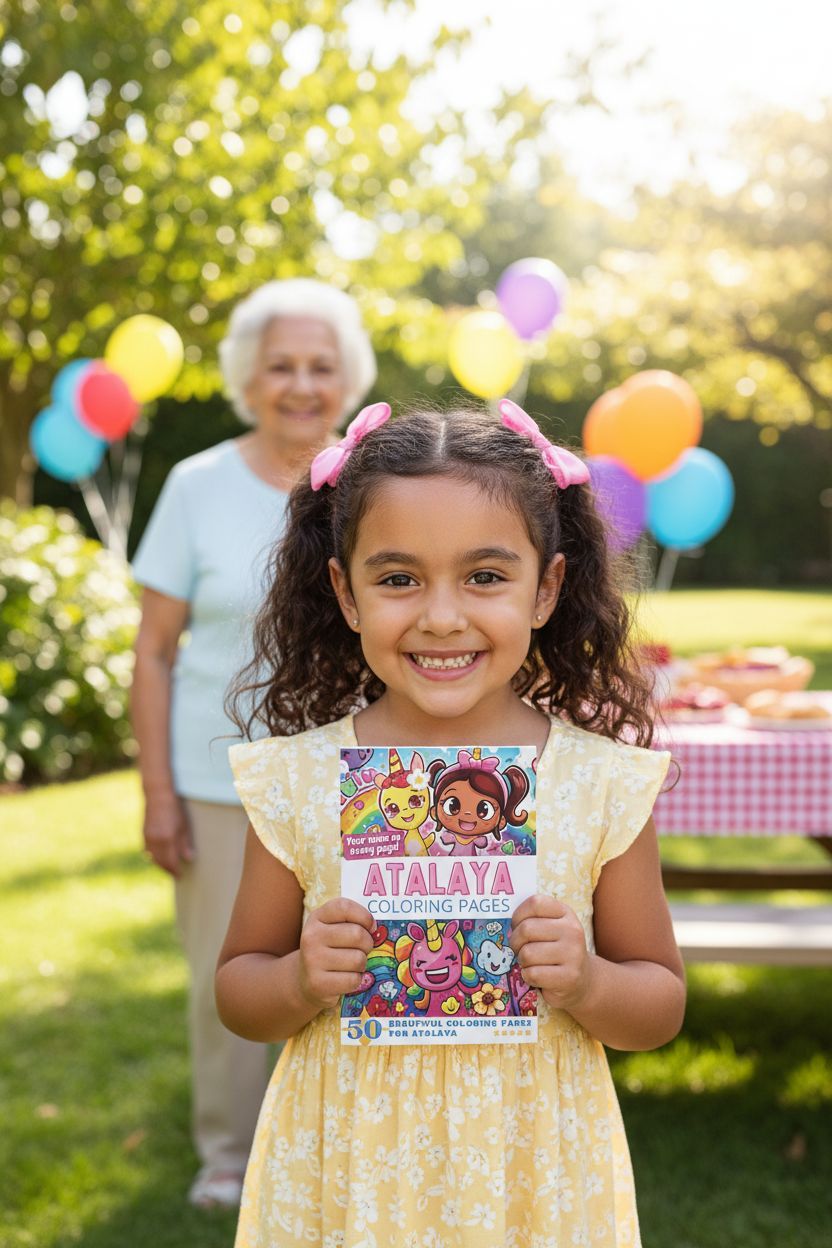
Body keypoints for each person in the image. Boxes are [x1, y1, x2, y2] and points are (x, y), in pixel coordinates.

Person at [216, 398, 687, 1245]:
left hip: (532, 1167)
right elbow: (239, 991)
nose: (440, 616)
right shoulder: (301, 779)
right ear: (345, 593)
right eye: (398, 579)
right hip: (350, 1166)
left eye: (485, 576)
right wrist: (295, 979)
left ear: (547, 587)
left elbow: (659, 1006)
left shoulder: (597, 782)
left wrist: (588, 982)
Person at [130, 279, 377, 1209]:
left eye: (321, 366)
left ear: (346, 376)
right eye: (282, 365)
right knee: (226, 975)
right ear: (249, 378)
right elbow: (152, 653)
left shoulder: (371, 483)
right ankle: (229, 1153)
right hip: (217, 778)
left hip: (354, 776)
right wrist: (158, 793)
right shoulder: (196, 485)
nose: (303, 385)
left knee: (354, 963)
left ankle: (339, 1144)